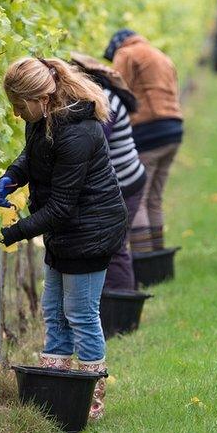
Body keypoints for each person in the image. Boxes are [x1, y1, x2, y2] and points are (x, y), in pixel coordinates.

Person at [0, 56, 127, 420]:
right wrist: (12, 176)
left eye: (20, 106)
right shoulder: (43, 120)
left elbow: (62, 207)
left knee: (81, 314)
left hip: (90, 231)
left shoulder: (78, 132)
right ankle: (57, 389)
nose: (17, 114)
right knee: (54, 311)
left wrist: (12, 233)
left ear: (41, 98)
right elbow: (32, 155)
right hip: (65, 232)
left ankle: (89, 402)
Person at [68, 51, 146, 291]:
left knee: (115, 247)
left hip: (125, 185)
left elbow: (94, 145)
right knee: (112, 246)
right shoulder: (99, 98)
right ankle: (116, 304)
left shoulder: (104, 100)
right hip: (124, 182)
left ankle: (123, 308)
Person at [104, 29, 183, 254]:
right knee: (155, 197)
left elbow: (117, 91)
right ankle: (158, 254)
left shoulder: (126, 54)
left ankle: (144, 259)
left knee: (138, 196)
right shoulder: (161, 56)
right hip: (173, 130)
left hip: (149, 130)